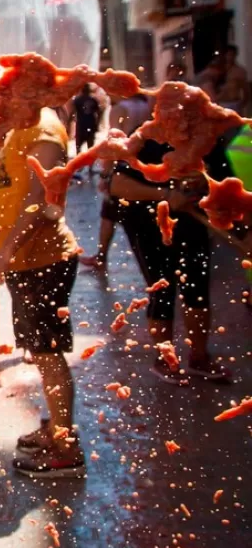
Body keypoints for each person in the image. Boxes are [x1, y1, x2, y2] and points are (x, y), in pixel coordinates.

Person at [0, 107, 84, 479]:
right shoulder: (19, 125)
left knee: (48, 353)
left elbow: (43, 199)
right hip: (25, 262)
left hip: (43, 259)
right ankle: (55, 426)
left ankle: (66, 449)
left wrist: (7, 250)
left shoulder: (43, 128)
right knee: (42, 353)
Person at [109, 132, 233, 385]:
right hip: (148, 226)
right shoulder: (145, 138)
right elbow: (118, 184)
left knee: (197, 290)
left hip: (194, 225)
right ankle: (165, 359)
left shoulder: (208, 137)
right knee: (162, 290)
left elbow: (226, 183)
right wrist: (165, 194)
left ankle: (199, 357)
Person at [81, 91, 152, 270]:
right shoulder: (145, 105)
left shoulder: (120, 108)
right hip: (144, 164)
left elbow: (115, 144)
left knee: (108, 212)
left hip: (124, 167)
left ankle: (101, 256)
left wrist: (106, 174)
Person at [70, 84, 102, 162]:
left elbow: (72, 112)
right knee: (90, 145)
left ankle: (78, 162)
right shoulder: (93, 100)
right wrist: (97, 122)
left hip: (81, 124)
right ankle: (90, 164)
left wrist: (69, 123)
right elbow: (99, 112)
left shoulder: (78, 100)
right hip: (90, 124)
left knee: (78, 146)